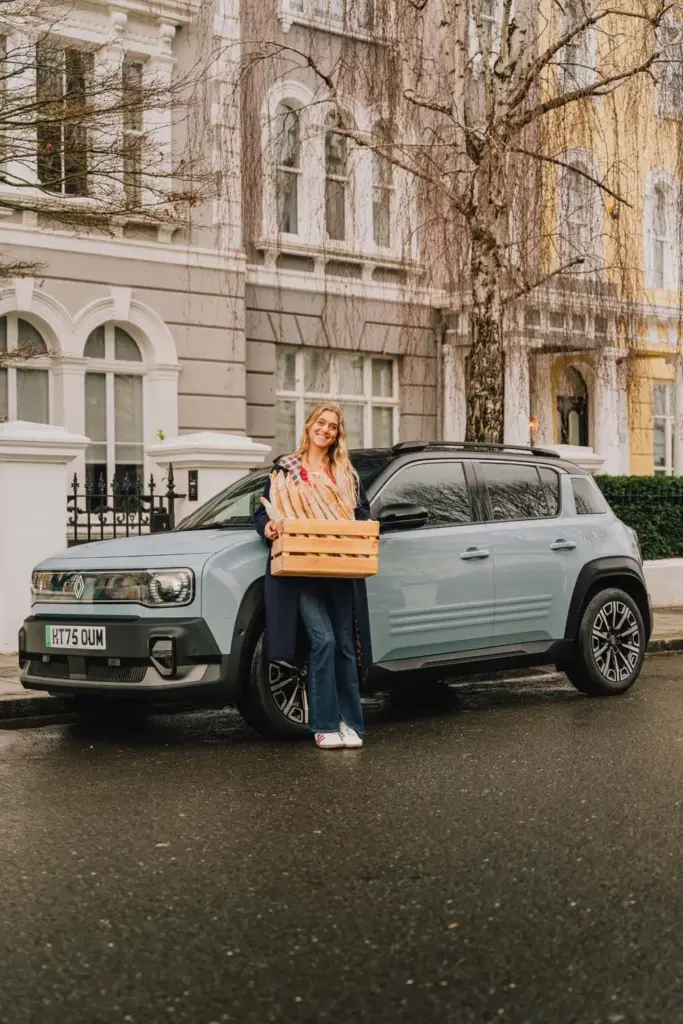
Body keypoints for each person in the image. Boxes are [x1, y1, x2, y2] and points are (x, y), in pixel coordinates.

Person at [254, 404, 373, 750]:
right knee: (323, 641)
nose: (326, 430)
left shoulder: (345, 473)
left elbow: (362, 511)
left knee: (346, 646)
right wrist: (270, 527)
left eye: (333, 427)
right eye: (321, 423)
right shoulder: (285, 470)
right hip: (300, 569)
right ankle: (323, 725)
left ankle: (351, 723)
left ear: (338, 435)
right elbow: (262, 513)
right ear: (308, 427)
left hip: (339, 565)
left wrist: (365, 525)